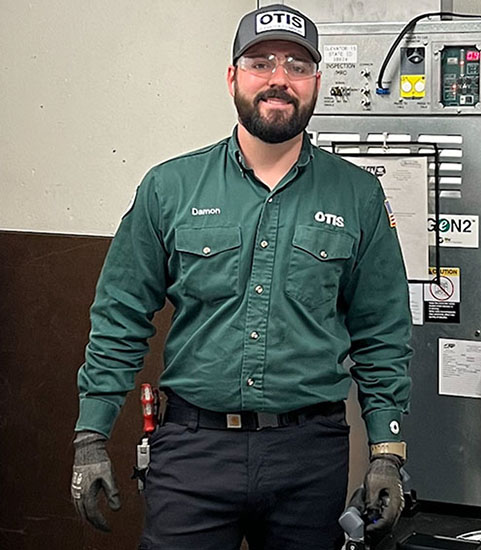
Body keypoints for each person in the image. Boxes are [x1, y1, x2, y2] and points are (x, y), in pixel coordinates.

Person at [70, 4, 412, 550]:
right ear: (232, 77)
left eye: (297, 67)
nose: (279, 78)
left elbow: (383, 332)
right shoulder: (170, 188)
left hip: (310, 455)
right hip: (192, 453)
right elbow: (120, 316)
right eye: (261, 62)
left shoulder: (358, 197)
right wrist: (91, 437)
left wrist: (387, 454)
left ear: (317, 84)